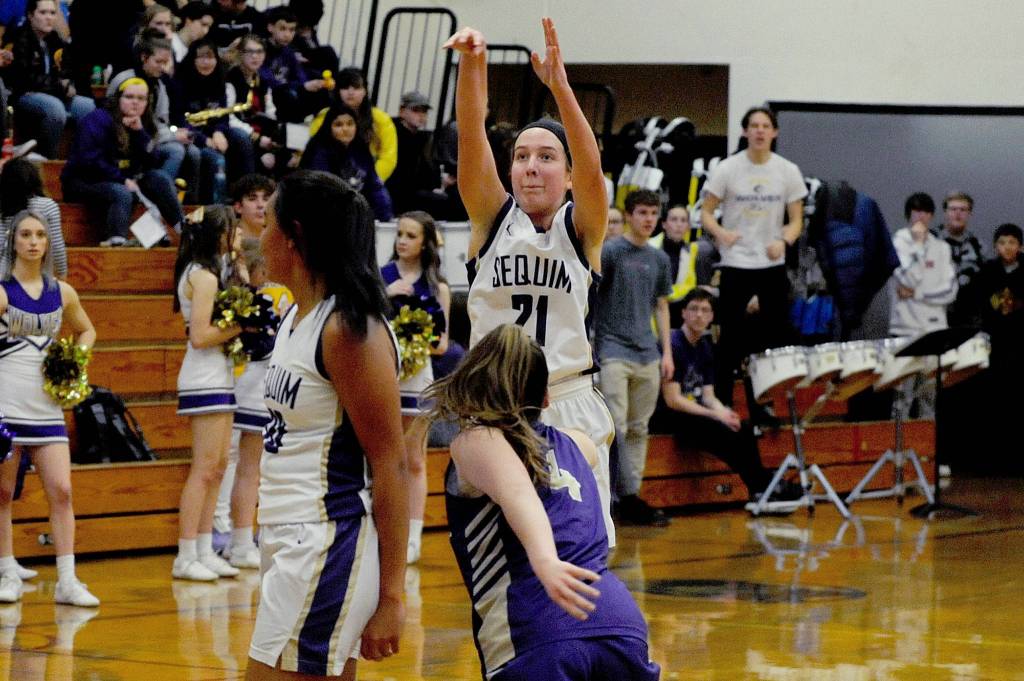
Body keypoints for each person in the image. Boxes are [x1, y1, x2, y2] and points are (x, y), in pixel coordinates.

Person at [446, 18, 617, 545]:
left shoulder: (582, 229)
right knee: (498, 567)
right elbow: (471, 136)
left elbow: (593, 171)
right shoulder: (491, 221)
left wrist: (560, 88)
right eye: (521, 157)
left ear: (566, 175)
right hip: (493, 406)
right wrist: (474, 65)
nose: (530, 167)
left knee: (578, 556)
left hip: (567, 403)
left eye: (546, 158)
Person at [425, 323, 661, 681]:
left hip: (539, 622)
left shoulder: (474, 442)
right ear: (547, 399)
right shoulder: (579, 443)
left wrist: (546, 561)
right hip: (617, 618)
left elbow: (520, 493)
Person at [245, 170, 407, 678]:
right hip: (287, 536)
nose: (258, 234)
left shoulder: (347, 330)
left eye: (267, 222)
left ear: (294, 235)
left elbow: (391, 463)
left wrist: (392, 597)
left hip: (327, 540)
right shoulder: (296, 316)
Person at [0, 210, 100, 607]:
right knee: (3, 492)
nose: (33, 241)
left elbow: (87, 329)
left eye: (40, 234)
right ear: (14, 243)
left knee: (61, 490)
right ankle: (7, 570)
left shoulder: (63, 291)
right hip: (6, 404)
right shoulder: (3, 292)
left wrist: (75, 360)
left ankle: (67, 579)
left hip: (46, 406)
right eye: (25, 234)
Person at [700, 106, 807, 424]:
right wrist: (720, 233)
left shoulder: (787, 170)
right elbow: (706, 212)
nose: (760, 131)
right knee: (730, 339)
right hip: (736, 262)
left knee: (772, 339)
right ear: (745, 132)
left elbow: (797, 219)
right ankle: (719, 405)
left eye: (765, 126)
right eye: (754, 126)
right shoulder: (728, 168)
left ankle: (764, 406)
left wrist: (784, 240)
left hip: (770, 264)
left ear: (774, 132)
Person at [661, 288, 802, 508]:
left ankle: (759, 488)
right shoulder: (673, 343)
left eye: (705, 310)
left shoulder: (705, 347)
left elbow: (708, 396)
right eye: (694, 309)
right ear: (683, 314)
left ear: (711, 317)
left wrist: (724, 413)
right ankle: (764, 485)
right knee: (724, 432)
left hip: (698, 413)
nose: (699, 315)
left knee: (742, 427)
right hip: (675, 416)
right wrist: (716, 415)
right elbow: (674, 400)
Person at [171, 204, 243, 582]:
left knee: (217, 468)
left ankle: (203, 548)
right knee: (204, 469)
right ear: (220, 235)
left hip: (219, 375)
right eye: (233, 230)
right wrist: (242, 326)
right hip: (204, 376)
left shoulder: (212, 273)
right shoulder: (203, 277)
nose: (237, 237)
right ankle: (185, 554)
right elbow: (199, 337)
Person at [594, 189, 673, 527]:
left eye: (653, 214)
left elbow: (662, 305)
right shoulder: (611, 252)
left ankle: (632, 496)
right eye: (642, 212)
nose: (648, 219)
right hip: (613, 350)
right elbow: (592, 300)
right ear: (628, 215)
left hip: (647, 352)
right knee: (617, 428)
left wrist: (666, 351)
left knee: (640, 428)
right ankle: (615, 496)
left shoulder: (659, 259)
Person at [380, 210, 450, 564]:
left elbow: (442, 344)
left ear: (425, 242)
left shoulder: (437, 287)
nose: (402, 241)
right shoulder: (380, 278)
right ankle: (383, 530)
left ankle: (413, 536)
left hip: (419, 378)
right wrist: (387, 296)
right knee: (382, 458)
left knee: (415, 460)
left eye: (410, 235)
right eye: (399, 234)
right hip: (384, 377)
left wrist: (416, 335)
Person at [212, 173, 276, 547]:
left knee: (257, 452)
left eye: (266, 198)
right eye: (252, 198)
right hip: (236, 360)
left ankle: (242, 527)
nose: (260, 205)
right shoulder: (228, 259)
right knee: (230, 449)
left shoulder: (284, 248)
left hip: (270, 363)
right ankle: (220, 524)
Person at [220, 236, 292, 569]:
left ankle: (238, 538)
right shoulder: (271, 295)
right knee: (248, 467)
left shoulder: (248, 296)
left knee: (242, 464)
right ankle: (239, 540)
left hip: (247, 378)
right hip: (256, 381)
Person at [61, 78, 183, 247]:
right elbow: (88, 162)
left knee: (159, 178)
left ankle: (184, 231)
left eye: (141, 99)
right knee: (122, 192)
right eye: (129, 97)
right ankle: (117, 242)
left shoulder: (143, 122)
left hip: (123, 180)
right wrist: (121, 179)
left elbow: (152, 161)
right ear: (118, 99)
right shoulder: (97, 119)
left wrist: (140, 133)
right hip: (84, 181)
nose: (135, 102)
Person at [888, 192, 957, 418]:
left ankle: (926, 453)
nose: (921, 216)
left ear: (931, 215)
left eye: (926, 212)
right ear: (909, 214)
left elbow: (949, 291)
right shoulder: (898, 241)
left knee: (929, 397)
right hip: (905, 330)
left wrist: (917, 293)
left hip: (934, 331)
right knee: (902, 399)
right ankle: (901, 450)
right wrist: (917, 246)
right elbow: (907, 277)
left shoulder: (941, 248)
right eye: (916, 211)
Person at [6, 0, 96, 159]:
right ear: (30, 15)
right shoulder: (19, 37)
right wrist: (61, 87)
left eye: (52, 13)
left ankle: (81, 158)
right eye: (43, 13)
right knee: (55, 109)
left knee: (88, 106)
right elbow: (27, 79)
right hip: (25, 95)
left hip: (54, 92)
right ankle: (48, 158)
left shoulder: (55, 40)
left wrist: (68, 83)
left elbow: (67, 69)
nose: (49, 17)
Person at [107, 29, 192, 181]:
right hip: (121, 137)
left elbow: (160, 121)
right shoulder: (124, 79)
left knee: (191, 151)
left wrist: (175, 134)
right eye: (158, 62)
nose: (162, 67)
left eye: (165, 63)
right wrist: (172, 136)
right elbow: (110, 116)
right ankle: (157, 190)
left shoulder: (160, 84)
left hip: (147, 137)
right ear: (144, 58)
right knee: (175, 150)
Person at [972, 223, 1024, 464]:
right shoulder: (988, 271)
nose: (1007, 247)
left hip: (1019, 344)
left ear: (1020, 246)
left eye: (1012, 242)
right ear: (995, 246)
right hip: (994, 343)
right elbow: (979, 301)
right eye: (1002, 243)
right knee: (992, 401)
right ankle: (992, 458)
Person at [299, 102, 393, 220]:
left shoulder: (361, 150)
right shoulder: (319, 152)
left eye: (350, 124)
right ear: (329, 128)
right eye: (338, 125)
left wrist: (385, 216)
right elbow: (322, 192)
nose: (345, 129)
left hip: (354, 213)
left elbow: (375, 186)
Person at [0, 158, 67, 278]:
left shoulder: (3, 206)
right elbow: (56, 245)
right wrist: (62, 273)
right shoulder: (48, 206)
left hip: (5, 273)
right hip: (38, 273)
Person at [330, 67, 397, 183]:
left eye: (356, 87)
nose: (350, 92)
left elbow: (388, 157)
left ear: (365, 91)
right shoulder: (325, 116)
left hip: (366, 180)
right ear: (338, 91)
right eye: (345, 87)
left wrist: (370, 181)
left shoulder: (381, 119)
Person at [261, 6, 327, 123]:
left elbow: (300, 75)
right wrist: (301, 86)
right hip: (269, 95)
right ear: (270, 27)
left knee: (320, 86)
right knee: (285, 94)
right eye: (282, 29)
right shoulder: (261, 49)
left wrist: (309, 84)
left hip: (289, 90)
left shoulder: (288, 51)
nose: (287, 34)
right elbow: (268, 79)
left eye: (291, 30)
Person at [225, 34, 277, 175]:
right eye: (250, 52)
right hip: (238, 131)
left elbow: (270, 112)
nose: (255, 56)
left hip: (261, 133)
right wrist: (257, 138)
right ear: (241, 54)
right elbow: (228, 117)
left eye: (259, 52)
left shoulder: (263, 81)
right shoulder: (231, 79)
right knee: (243, 139)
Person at [935, 191, 985, 327]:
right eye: (953, 209)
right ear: (945, 212)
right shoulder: (930, 241)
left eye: (963, 210)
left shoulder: (977, 245)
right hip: (935, 319)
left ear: (970, 213)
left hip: (968, 321)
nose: (958, 213)